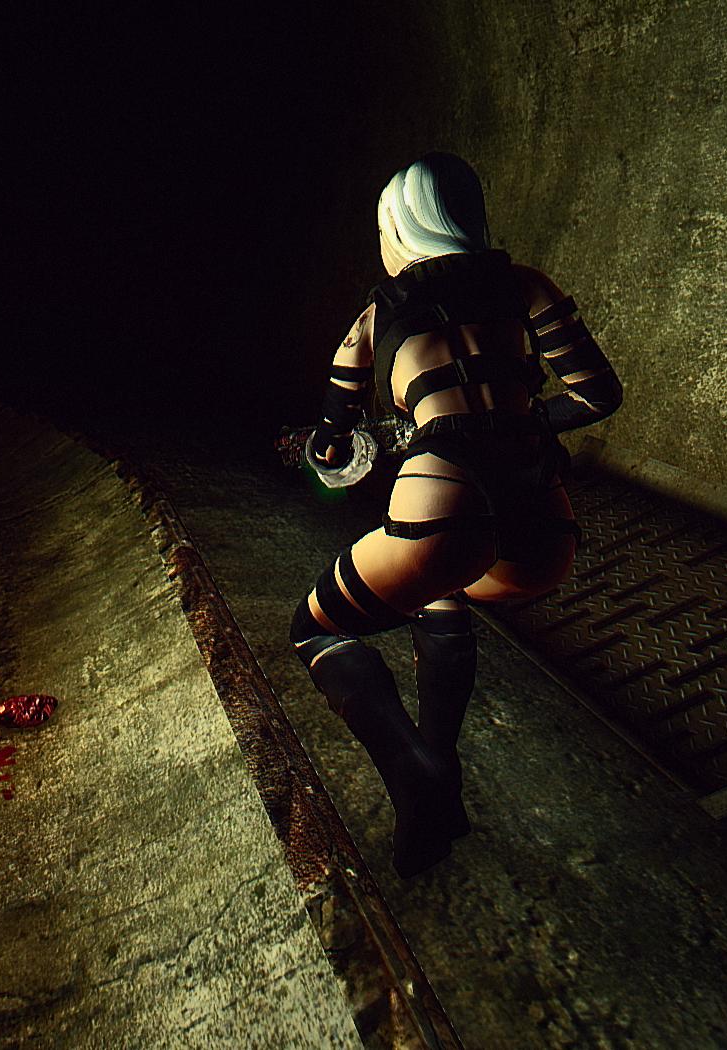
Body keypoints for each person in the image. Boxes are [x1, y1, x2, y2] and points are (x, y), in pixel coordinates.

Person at [292, 152, 622, 877]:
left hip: (443, 501)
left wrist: (335, 449)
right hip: (542, 530)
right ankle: (439, 782)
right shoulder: (525, 285)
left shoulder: (374, 317)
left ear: (398, 227)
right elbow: (597, 395)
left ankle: (419, 773)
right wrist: (522, 417)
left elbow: (331, 441)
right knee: (442, 590)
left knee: (317, 627)